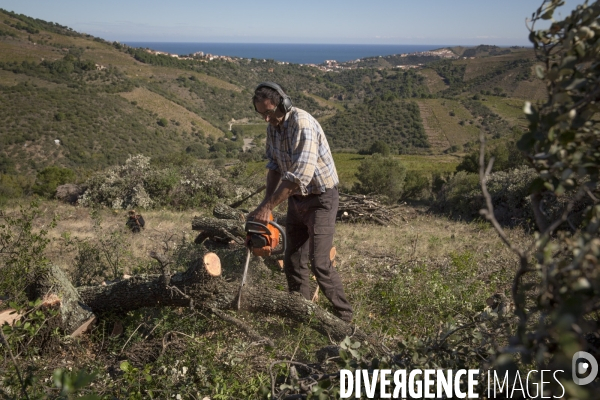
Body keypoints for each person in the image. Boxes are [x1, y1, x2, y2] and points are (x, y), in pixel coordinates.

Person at [248, 82, 353, 323]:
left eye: (269, 112)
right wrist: (264, 202)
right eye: (261, 114)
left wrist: (268, 207)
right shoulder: (273, 128)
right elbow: (274, 166)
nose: (266, 119)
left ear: (283, 104)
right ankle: (301, 315)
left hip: (320, 199)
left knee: (320, 263)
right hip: (296, 200)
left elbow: (300, 176)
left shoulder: (302, 124)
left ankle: (345, 320)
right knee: (293, 261)